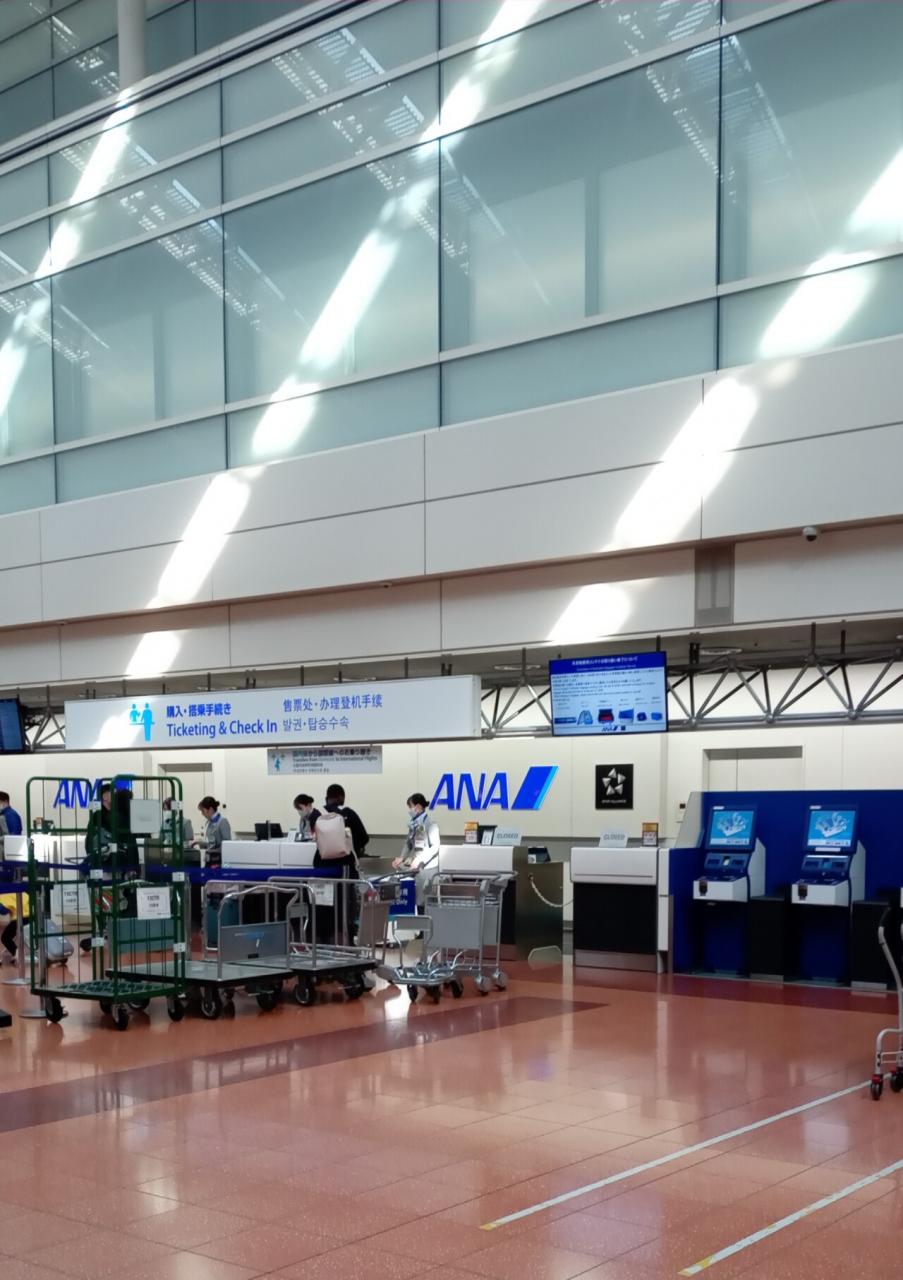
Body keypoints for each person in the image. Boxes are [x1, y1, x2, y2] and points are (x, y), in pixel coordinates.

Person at [393, 793, 441, 905]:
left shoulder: (431, 824)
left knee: (425, 902)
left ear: (418, 807)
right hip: (416, 868)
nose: (410, 810)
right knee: (416, 900)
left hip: (428, 869)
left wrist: (420, 859)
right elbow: (408, 843)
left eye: (410, 807)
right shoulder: (414, 824)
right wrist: (401, 857)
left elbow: (435, 847)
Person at [323, 784, 372, 858]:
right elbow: (364, 837)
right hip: (348, 858)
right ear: (341, 797)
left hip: (324, 859)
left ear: (327, 798)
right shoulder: (348, 812)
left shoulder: (319, 813)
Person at [193, 796, 231, 867]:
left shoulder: (223, 822)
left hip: (218, 862)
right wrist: (199, 842)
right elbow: (211, 844)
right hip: (210, 859)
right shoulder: (209, 822)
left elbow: (226, 845)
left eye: (203, 811)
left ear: (210, 809)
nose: (202, 814)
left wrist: (213, 851)